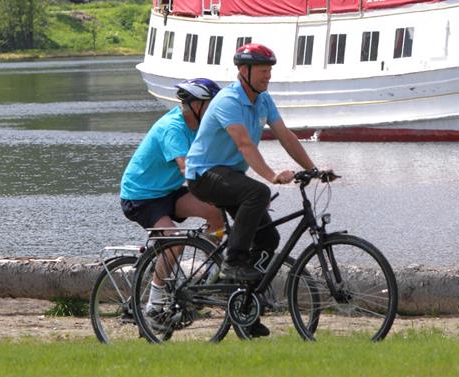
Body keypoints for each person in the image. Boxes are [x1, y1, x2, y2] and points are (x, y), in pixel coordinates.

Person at [184, 44, 320, 287]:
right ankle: (233, 262)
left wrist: (314, 169)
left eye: (270, 70)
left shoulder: (263, 100)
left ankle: (241, 299)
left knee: (268, 239)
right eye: (263, 71)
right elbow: (245, 145)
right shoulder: (229, 100)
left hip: (230, 175)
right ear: (243, 71)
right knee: (258, 192)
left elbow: (285, 136)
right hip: (204, 174)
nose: (268, 76)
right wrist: (272, 176)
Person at [120, 78, 226, 318]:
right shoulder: (173, 128)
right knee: (174, 242)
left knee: (216, 212)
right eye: (211, 104)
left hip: (168, 191)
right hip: (141, 196)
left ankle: (209, 275)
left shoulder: (200, 126)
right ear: (196, 105)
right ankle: (154, 305)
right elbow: (186, 168)